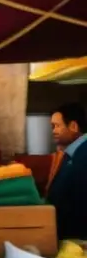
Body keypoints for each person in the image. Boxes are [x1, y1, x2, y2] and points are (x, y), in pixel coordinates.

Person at [47, 103, 87, 240]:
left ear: (73, 126)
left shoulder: (84, 154)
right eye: (52, 127)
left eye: (57, 126)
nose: (53, 131)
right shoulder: (72, 153)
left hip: (78, 239)